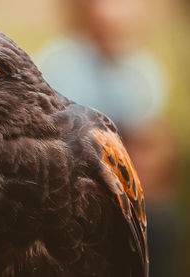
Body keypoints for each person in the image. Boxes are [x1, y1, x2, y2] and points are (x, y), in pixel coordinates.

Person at [36, 0, 179, 275]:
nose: (110, 16)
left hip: (123, 187)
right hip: (67, 185)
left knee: (160, 221)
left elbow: (148, 147)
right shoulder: (56, 66)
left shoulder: (143, 72)